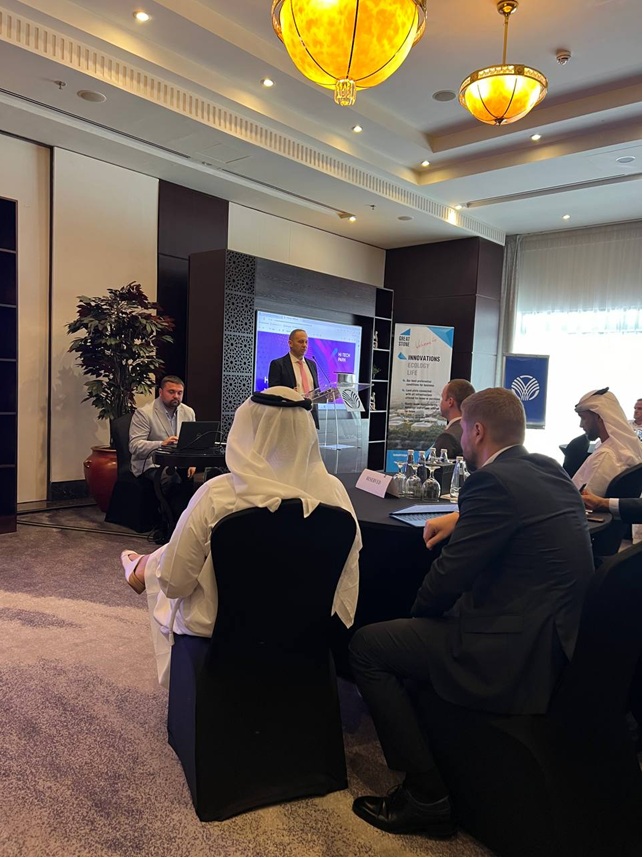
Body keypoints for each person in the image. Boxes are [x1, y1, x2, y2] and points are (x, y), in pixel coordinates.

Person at [349, 387, 593, 838]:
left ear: (476, 431)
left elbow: (446, 579)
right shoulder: (550, 469)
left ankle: (426, 796)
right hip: (560, 643)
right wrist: (460, 517)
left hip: (511, 656)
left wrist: (416, 619)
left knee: (368, 647)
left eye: (463, 429)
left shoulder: (490, 483)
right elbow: (521, 514)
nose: (461, 437)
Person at [121, 386, 362, 688]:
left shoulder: (218, 494)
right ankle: (144, 564)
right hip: (306, 627)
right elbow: (348, 572)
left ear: (245, 428)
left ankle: (143, 565)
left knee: (175, 563)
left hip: (219, 629)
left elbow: (174, 582)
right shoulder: (334, 493)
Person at [572, 387, 642, 496]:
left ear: (599, 417)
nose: (581, 425)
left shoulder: (606, 455)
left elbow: (584, 500)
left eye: (584, 418)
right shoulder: (624, 447)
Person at [268, 329, 320, 428]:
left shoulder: (312, 364)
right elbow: (273, 393)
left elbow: (316, 391)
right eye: (300, 342)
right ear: (290, 343)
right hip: (289, 418)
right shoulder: (278, 364)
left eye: (306, 342)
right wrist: (289, 394)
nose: (304, 345)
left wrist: (327, 396)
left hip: (311, 417)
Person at [430, 379, 475, 459]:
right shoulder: (475, 431)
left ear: (450, 402)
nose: (440, 403)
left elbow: (431, 465)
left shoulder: (448, 437)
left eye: (442, 398)